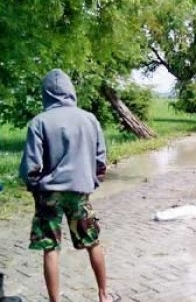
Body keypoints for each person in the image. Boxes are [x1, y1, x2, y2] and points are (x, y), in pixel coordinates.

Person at [18, 69, 117, 302]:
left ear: (46, 94)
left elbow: (30, 167)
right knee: (92, 241)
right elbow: (101, 162)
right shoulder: (89, 119)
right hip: (79, 191)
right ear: (71, 90)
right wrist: (90, 182)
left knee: (51, 248)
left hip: (49, 194)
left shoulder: (39, 122)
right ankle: (104, 295)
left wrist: (35, 187)